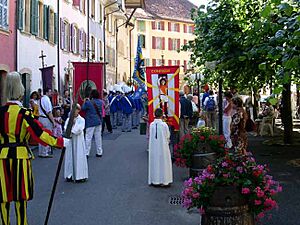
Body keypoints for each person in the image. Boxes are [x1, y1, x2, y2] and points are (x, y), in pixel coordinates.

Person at [0, 72, 64, 225]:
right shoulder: (24, 113)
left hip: (2, 158)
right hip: (20, 158)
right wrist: (59, 142)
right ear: (20, 91)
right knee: (20, 197)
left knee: (3, 197)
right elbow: (40, 134)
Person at [148, 108, 173, 187]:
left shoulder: (151, 124)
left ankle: (154, 180)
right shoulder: (164, 125)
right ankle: (164, 180)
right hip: (163, 147)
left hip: (154, 147)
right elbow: (168, 136)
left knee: (155, 162)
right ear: (162, 115)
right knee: (163, 163)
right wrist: (167, 141)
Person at [64, 104, 88, 182]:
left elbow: (79, 130)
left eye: (76, 109)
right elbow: (65, 128)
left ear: (78, 110)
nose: (74, 111)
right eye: (73, 110)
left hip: (78, 141)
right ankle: (69, 174)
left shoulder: (82, 120)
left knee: (79, 156)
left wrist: (74, 125)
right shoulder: (68, 119)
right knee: (69, 157)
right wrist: (70, 125)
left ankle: (80, 175)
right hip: (70, 141)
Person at [82, 89, 103, 158]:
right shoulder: (101, 102)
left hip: (90, 121)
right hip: (98, 121)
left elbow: (83, 108)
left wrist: (85, 101)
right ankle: (99, 152)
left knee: (88, 138)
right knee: (98, 137)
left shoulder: (88, 102)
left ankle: (86, 153)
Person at [38, 88, 55, 158]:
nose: (51, 93)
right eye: (50, 91)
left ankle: (41, 152)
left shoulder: (41, 99)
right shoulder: (47, 99)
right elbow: (49, 112)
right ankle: (45, 152)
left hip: (40, 118)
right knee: (47, 135)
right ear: (47, 92)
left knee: (40, 135)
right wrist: (53, 121)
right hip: (46, 119)